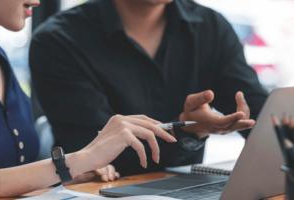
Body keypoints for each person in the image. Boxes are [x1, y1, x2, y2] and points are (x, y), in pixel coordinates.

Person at [29, 0, 268, 176]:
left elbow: (260, 114)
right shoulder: (58, 40)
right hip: (103, 191)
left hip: (186, 187)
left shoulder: (210, 27)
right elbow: (101, 155)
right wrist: (188, 130)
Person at [0, 0, 176, 197]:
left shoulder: (0, 59)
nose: (37, 1)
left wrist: (70, 173)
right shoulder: (55, 40)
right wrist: (74, 162)